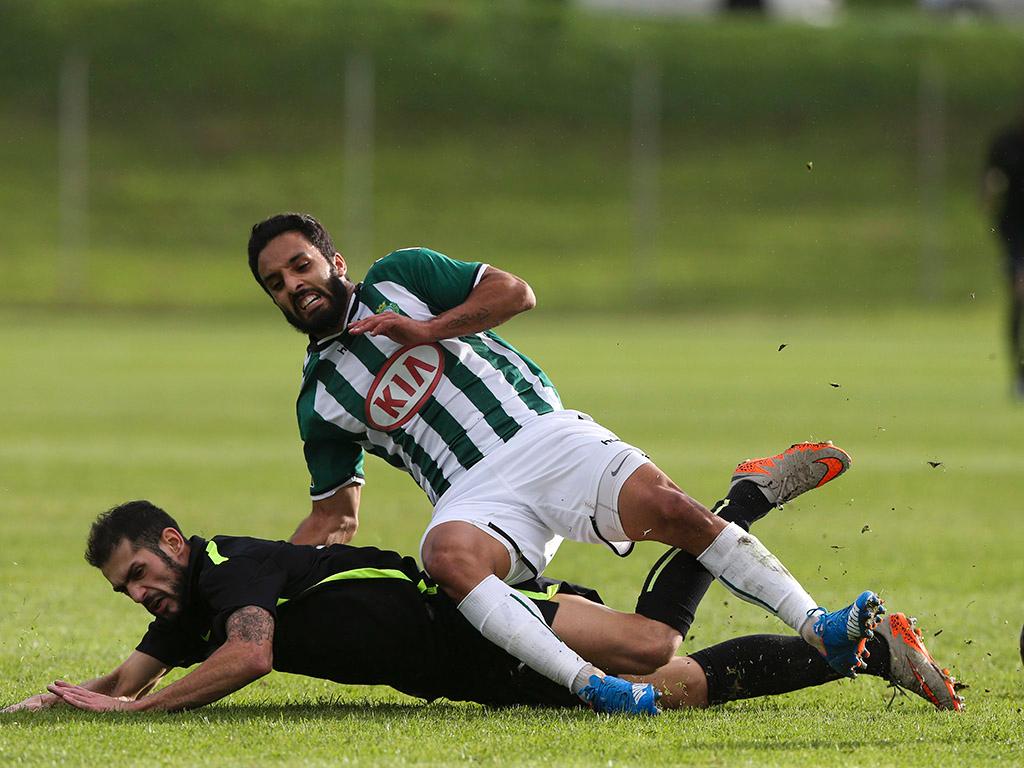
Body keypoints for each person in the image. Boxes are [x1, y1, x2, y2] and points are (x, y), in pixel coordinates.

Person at [245, 212, 884, 712]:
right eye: (277, 283)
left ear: (334, 261)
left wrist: (426, 331)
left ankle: (816, 624)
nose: (294, 286)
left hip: (540, 434)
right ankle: (593, 687)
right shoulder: (318, 399)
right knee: (446, 556)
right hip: (470, 491)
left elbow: (515, 294)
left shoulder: (401, 276)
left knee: (668, 508)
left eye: (301, 266)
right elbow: (333, 518)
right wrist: (253, 593)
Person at [2, 501, 962, 715]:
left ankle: (734, 511)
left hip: (463, 610)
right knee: (670, 689)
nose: (139, 597)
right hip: (452, 672)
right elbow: (123, 677)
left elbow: (248, 659)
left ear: (170, 543)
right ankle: (861, 651)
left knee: (650, 648)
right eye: (124, 590)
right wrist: (52, 706)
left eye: (136, 574)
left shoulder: (225, 571)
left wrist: (139, 712)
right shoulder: (183, 610)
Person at [984, 117, 1024, 397]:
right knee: (1020, 296)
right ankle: (1019, 374)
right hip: (1016, 235)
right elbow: (988, 183)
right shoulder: (1007, 143)